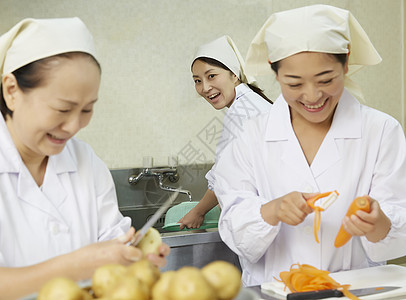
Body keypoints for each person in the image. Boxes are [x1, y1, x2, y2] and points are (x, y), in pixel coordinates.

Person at [213, 4, 406, 287]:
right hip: (273, 292)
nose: (312, 96)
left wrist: (380, 224)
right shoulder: (250, 136)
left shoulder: (381, 131)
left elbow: (398, 229)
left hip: (356, 291)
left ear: (346, 63)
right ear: (275, 73)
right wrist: (272, 210)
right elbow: (235, 232)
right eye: (294, 83)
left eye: (325, 80)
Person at [0, 17, 169, 299]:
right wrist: (77, 265)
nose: (74, 126)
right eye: (63, 109)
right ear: (12, 91)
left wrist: (135, 258)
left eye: (87, 109)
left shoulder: (85, 161)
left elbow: (112, 252)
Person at [179, 35, 272, 229]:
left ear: (235, 74)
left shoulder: (241, 112)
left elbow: (223, 176)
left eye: (211, 76)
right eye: (197, 80)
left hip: (262, 221)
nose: (204, 88)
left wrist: (198, 212)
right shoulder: (253, 103)